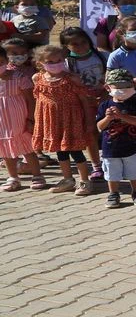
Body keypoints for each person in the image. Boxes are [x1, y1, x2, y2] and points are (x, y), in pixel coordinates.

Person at [31, 45, 95, 196]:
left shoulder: (72, 79)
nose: (55, 64)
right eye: (50, 61)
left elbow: (84, 100)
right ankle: (67, 179)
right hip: (52, 122)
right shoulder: (37, 78)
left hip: (71, 121)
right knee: (60, 152)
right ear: (41, 63)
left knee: (76, 151)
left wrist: (89, 120)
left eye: (58, 60)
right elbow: (39, 101)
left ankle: (85, 181)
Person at [96, 69, 136, 208]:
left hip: (132, 146)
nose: (123, 90)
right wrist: (108, 118)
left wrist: (122, 116)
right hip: (110, 147)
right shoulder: (105, 105)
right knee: (112, 173)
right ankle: (113, 193)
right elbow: (100, 126)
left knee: (134, 172)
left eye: (127, 86)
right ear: (108, 87)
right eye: (118, 87)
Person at [62, 26, 108, 181]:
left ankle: (112, 161)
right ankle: (96, 166)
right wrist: (85, 97)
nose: (81, 46)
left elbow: (111, 77)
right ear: (66, 47)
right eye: (75, 44)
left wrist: (104, 94)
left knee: (110, 130)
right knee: (90, 133)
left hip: (106, 99)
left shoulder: (102, 56)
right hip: (84, 103)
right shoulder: (67, 64)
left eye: (83, 42)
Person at [0, 42, 38, 191]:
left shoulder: (19, 77)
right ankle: (13, 177)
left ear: (6, 60)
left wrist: (31, 118)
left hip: (19, 118)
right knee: (5, 150)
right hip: (2, 122)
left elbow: (30, 99)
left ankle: (37, 175)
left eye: (1, 62)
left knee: (27, 147)